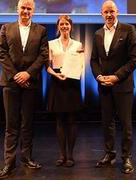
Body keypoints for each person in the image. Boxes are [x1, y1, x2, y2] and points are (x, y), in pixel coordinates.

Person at [0, 0, 49, 179]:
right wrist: (16, 75)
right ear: (17, 9)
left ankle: (27, 158)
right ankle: (9, 163)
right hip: (10, 83)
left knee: (28, 124)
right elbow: (1, 52)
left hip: (30, 83)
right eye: (23, 8)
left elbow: (43, 55)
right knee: (11, 125)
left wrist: (28, 74)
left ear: (33, 11)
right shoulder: (6, 28)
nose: (26, 11)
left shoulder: (41, 30)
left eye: (29, 8)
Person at [90, 0, 136, 174]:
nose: (109, 15)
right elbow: (94, 60)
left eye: (112, 11)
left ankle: (126, 158)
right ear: (101, 14)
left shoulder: (128, 30)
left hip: (123, 85)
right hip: (104, 86)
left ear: (117, 12)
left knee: (125, 124)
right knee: (107, 123)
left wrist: (116, 77)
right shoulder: (97, 34)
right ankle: (109, 155)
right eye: (106, 12)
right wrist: (99, 77)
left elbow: (134, 58)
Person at [46, 15, 84, 167]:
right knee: (60, 121)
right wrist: (56, 74)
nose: (64, 26)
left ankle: (70, 155)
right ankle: (62, 155)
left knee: (72, 120)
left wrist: (76, 71)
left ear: (71, 26)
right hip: (57, 83)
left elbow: (80, 65)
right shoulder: (51, 44)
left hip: (72, 84)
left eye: (67, 24)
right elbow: (47, 67)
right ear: (58, 26)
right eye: (61, 24)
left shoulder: (78, 44)